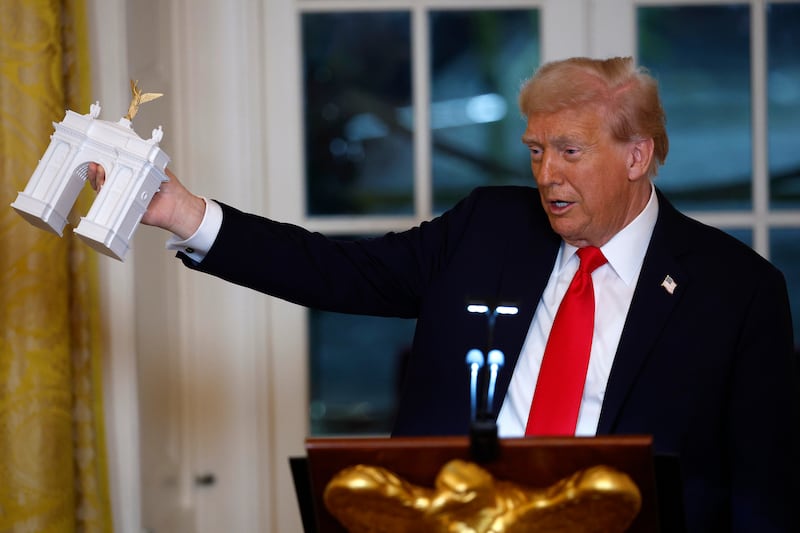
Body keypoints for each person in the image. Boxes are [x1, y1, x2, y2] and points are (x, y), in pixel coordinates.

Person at [89, 56, 799, 531]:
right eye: (535, 149)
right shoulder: (489, 227)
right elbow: (338, 270)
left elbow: (763, 497)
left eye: (571, 151)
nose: (547, 174)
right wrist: (184, 213)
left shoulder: (737, 292)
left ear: (637, 154)